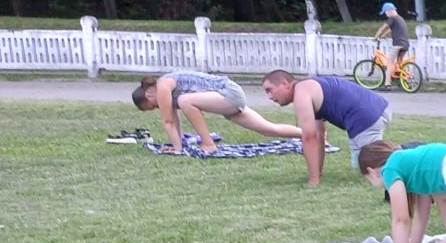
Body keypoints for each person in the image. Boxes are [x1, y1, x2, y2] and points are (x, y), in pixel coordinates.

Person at [261, 70, 391, 184]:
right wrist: (317, 173)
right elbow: (319, 136)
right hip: (377, 109)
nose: (270, 97)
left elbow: (309, 137)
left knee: (371, 165)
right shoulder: (310, 88)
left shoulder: (301, 92)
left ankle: (400, 158)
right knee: (361, 165)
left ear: (285, 84)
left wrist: (313, 180)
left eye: (269, 90)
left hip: (366, 117)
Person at [130, 72, 301, 155]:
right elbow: (174, 119)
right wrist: (178, 146)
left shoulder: (163, 85)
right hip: (225, 99)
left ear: (149, 95)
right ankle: (309, 134)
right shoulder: (166, 91)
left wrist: (177, 150)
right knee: (268, 129)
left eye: (153, 106)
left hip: (228, 92)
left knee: (185, 100)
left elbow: (168, 121)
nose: (158, 107)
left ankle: (208, 144)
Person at [373, 2, 411, 79]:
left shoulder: (392, 18)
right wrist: (384, 36)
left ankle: (387, 83)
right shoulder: (400, 18)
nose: (386, 14)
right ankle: (402, 78)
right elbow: (390, 29)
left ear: (389, 11)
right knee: (398, 64)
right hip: (405, 44)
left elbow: (383, 28)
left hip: (398, 44)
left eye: (385, 12)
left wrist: (375, 37)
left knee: (389, 62)